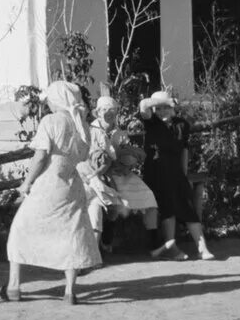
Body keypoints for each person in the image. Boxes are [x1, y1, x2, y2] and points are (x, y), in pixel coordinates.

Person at [0, 80, 101, 305]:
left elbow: (41, 156)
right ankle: (70, 291)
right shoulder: (82, 125)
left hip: (49, 183)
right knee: (70, 234)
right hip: (71, 185)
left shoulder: (51, 121)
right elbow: (82, 157)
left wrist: (26, 183)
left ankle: (14, 286)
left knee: (19, 229)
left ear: (57, 100)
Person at [79, 95, 161, 253]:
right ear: (97, 112)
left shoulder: (119, 132)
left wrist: (126, 162)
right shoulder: (90, 131)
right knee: (111, 202)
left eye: (113, 110)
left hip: (119, 173)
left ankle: (155, 244)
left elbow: (125, 155)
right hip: (96, 174)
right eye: (105, 110)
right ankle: (106, 240)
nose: (109, 113)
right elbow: (88, 157)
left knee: (149, 197)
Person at [138, 90, 214, 260]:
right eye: (159, 108)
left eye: (166, 107)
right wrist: (158, 101)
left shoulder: (182, 125)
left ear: (173, 108)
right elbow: (143, 106)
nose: (162, 111)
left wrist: (184, 174)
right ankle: (172, 248)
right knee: (167, 209)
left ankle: (202, 247)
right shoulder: (151, 122)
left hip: (176, 172)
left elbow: (184, 150)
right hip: (156, 173)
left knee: (187, 207)